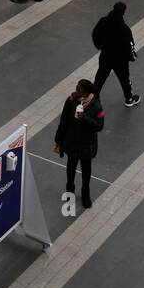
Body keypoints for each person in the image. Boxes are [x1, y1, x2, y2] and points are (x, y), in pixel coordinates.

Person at [53, 79, 104, 208]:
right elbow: (64, 119)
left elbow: (99, 126)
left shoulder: (96, 105)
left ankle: (85, 193)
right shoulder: (71, 101)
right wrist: (59, 139)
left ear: (86, 92)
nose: (76, 90)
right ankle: (70, 191)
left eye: (79, 89)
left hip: (87, 144)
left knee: (86, 169)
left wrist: (84, 118)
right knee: (71, 167)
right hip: (72, 142)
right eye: (76, 87)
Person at [92, 1, 140, 107]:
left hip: (105, 56)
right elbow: (130, 45)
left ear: (113, 9)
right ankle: (129, 98)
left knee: (99, 78)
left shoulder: (103, 21)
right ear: (123, 13)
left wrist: (100, 46)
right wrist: (133, 56)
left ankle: (91, 100)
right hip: (120, 60)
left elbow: (95, 34)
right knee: (124, 79)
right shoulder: (124, 29)